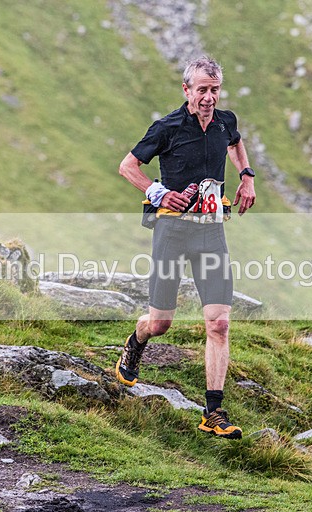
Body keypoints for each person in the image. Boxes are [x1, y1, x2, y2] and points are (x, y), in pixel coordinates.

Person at [117, 56, 256, 439]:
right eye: (202, 90)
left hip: (211, 232)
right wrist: (159, 191)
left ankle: (213, 413)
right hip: (172, 231)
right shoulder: (167, 128)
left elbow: (236, 144)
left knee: (220, 322)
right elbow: (127, 167)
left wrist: (246, 177)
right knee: (160, 323)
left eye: (214, 90)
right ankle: (136, 340)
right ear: (186, 90)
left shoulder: (226, 121)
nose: (209, 97)